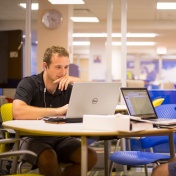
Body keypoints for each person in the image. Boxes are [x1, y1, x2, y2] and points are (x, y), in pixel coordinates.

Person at [12, 46, 98, 176]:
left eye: (66, 67)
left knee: (90, 156)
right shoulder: (29, 83)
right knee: (49, 158)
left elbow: (94, 101)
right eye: (58, 67)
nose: (63, 72)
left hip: (60, 138)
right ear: (45, 66)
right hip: (31, 138)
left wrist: (80, 82)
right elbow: (18, 112)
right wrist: (58, 111)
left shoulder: (68, 87)